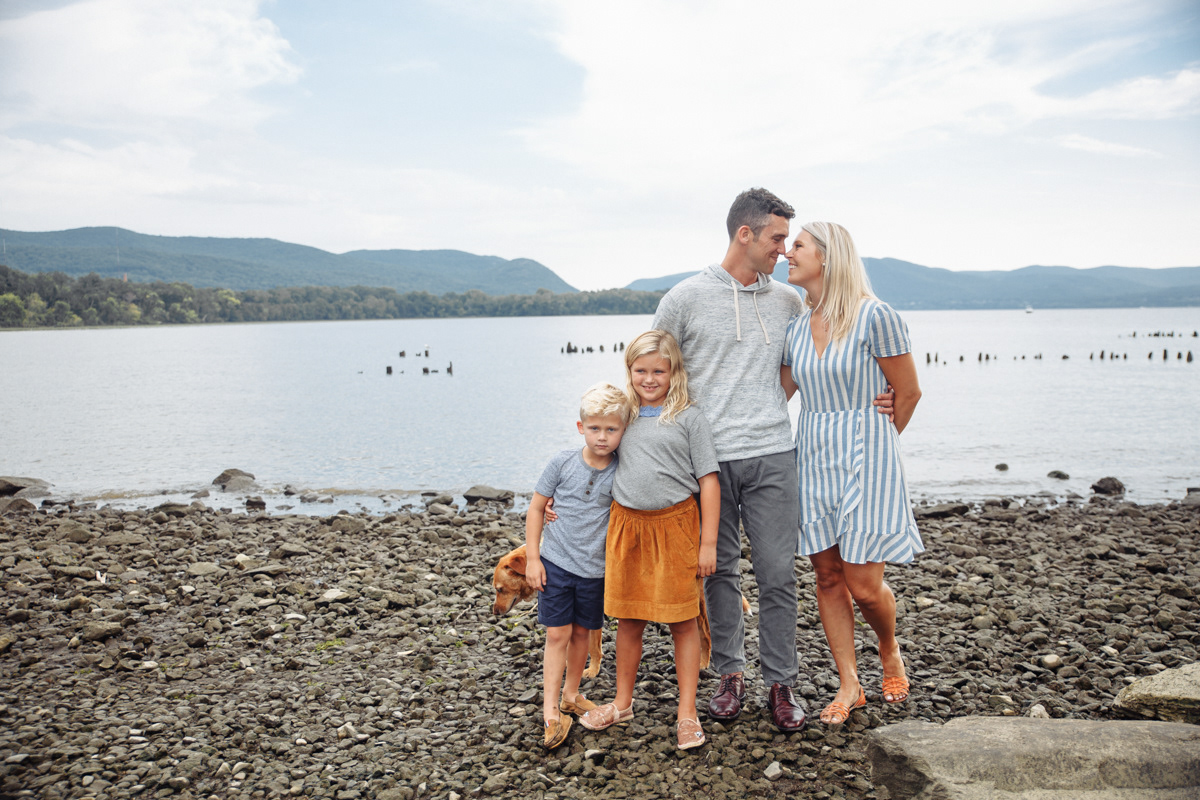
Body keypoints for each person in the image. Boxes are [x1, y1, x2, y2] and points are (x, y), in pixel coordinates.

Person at [654, 188, 894, 731]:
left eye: (791, 240)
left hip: (773, 454)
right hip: (705, 464)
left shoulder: (788, 302)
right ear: (746, 234)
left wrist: (885, 397)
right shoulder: (684, 298)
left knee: (779, 575)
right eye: (778, 238)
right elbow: (653, 371)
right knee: (718, 573)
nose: (784, 250)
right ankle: (730, 675)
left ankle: (781, 682)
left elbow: (817, 361)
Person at [780, 221, 923, 728]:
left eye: (797, 246)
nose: (787, 253)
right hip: (813, 454)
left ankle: (889, 648)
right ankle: (849, 682)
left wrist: (880, 443)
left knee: (863, 584)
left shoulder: (875, 316)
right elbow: (776, 396)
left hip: (868, 456)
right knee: (826, 575)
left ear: (828, 257)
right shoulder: (797, 327)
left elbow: (907, 393)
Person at [578, 330, 720, 751]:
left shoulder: (689, 417)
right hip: (627, 528)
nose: (650, 378)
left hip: (675, 527)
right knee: (629, 617)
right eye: (641, 370)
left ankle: (687, 711)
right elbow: (593, 460)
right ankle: (622, 702)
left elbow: (709, 481)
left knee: (682, 620)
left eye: (659, 370)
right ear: (630, 371)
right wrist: (554, 503)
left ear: (674, 371)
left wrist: (707, 542)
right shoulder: (623, 415)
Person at [525, 382, 634, 749]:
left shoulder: (623, 469)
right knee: (557, 634)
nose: (602, 437)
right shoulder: (561, 462)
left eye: (611, 429)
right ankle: (551, 709)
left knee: (583, 635)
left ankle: (572, 693)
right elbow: (538, 507)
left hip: (596, 571)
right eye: (594, 428)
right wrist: (533, 558)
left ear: (623, 430)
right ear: (580, 427)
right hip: (555, 563)